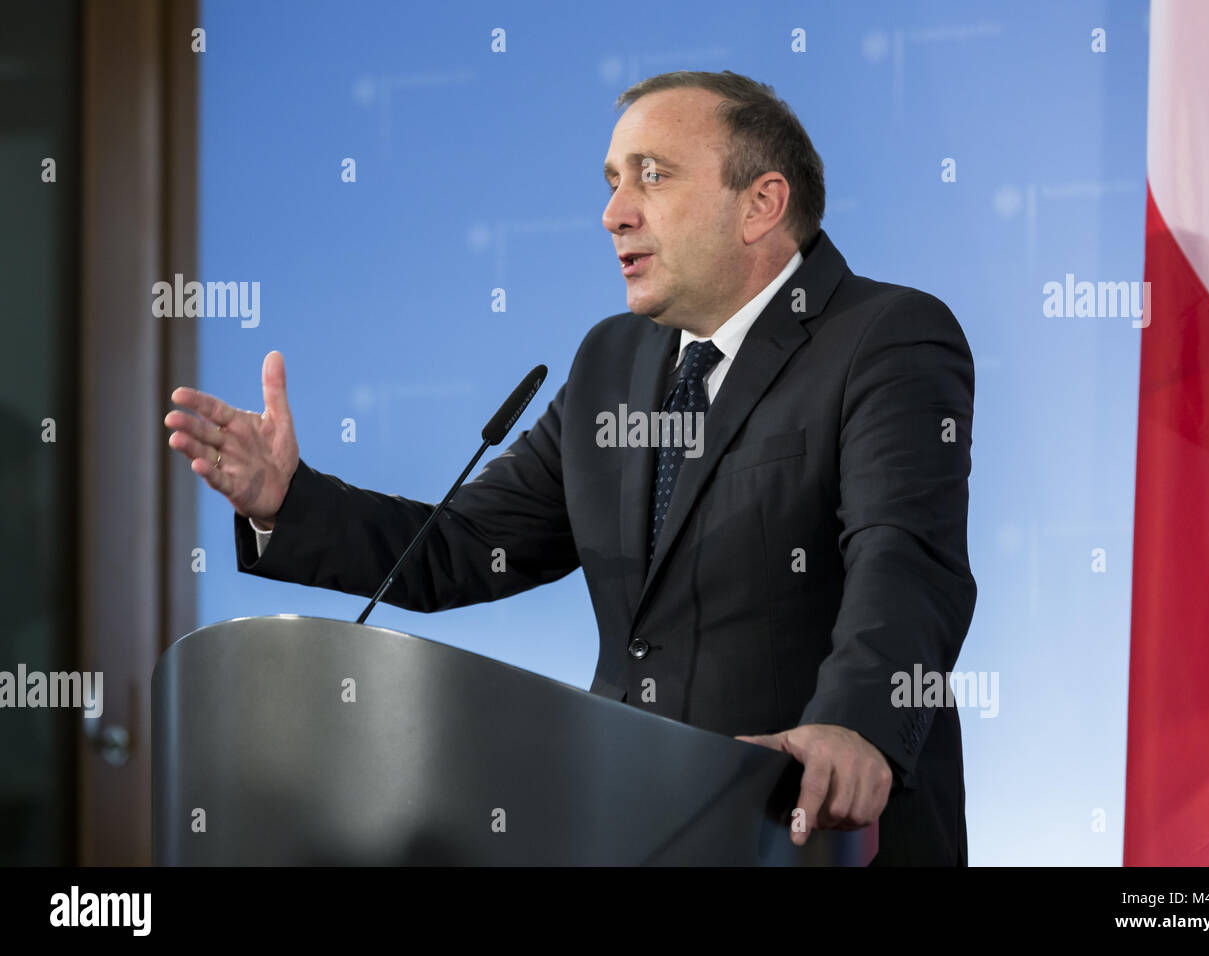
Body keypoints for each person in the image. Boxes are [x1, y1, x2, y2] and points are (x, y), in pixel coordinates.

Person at [164, 70, 977, 865]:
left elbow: (905, 558)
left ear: (760, 204)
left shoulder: (886, 336)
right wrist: (286, 502)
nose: (614, 213)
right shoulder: (611, 363)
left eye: (651, 178)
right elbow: (464, 545)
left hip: (814, 834)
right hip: (637, 827)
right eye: (612, 182)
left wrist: (858, 724)